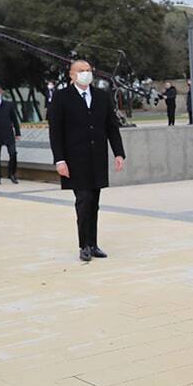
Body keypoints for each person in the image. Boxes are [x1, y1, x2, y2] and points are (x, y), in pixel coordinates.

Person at [48, 60, 126, 262]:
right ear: (72, 75)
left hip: (97, 158)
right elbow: (55, 132)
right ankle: (84, 245)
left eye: (88, 71)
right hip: (75, 160)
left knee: (94, 203)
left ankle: (93, 244)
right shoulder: (61, 97)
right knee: (84, 201)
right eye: (81, 71)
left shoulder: (101, 96)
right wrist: (59, 160)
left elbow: (111, 126)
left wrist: (119, 153)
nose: (86, 74)